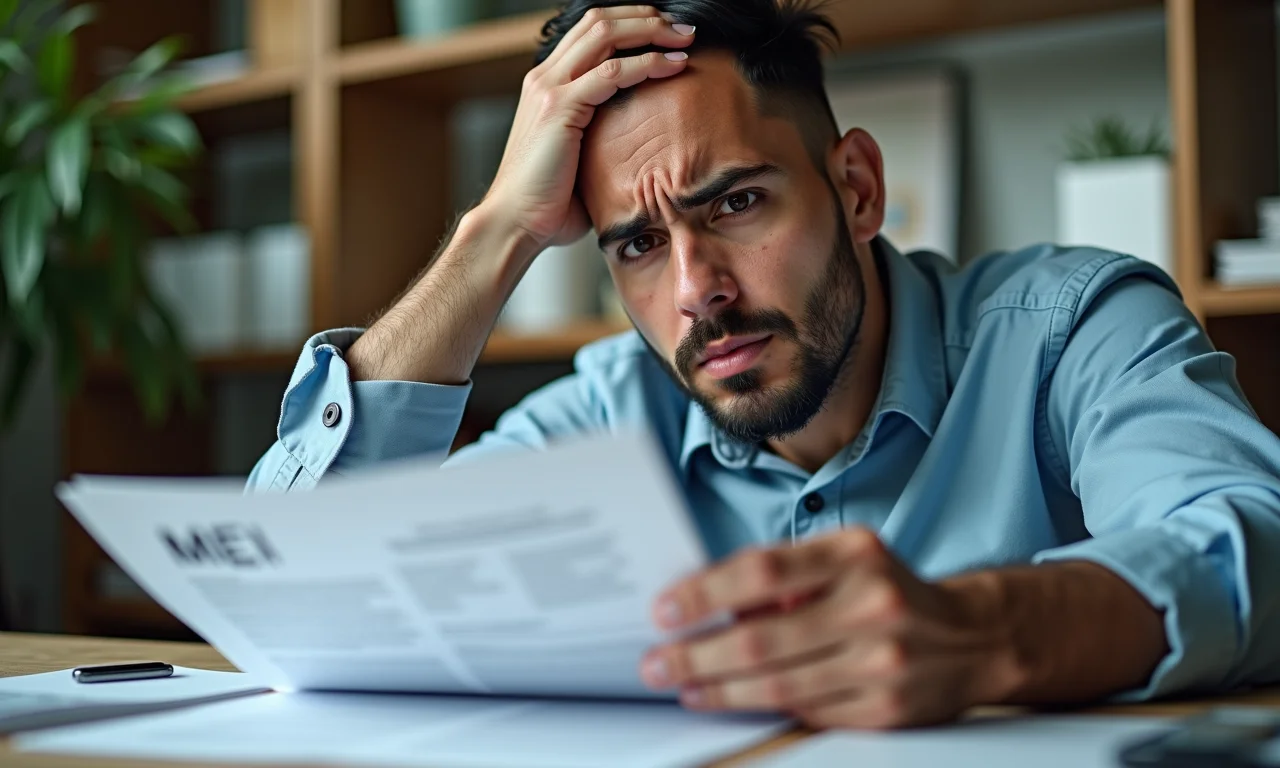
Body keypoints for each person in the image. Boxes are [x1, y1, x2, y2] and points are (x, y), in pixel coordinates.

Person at [248, 0, 1280, 728]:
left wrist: (985, 630)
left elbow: (1253, 543)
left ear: (858, 190)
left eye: (734, 203)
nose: (696, 291)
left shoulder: (1071, 329)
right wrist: (493, 233)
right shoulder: (612, 413)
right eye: (637, 245)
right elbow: (292, 581)